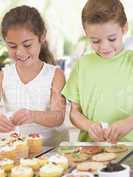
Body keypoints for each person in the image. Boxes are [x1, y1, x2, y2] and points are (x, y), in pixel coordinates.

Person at [62, 0, 133, 144]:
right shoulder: (82, 65)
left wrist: (129, 122)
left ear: (124, 28)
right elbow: (74, 112)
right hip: (91, 149)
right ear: (86, 33)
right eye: (95, 41)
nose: (104, 46)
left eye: (112, 38)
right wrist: (89, 126)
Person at [0, 5, 67, 145]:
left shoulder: (55, 75)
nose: (20, 52)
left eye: (27, 45)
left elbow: (59, 116)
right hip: (18, 151)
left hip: (51, 152)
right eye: (12, 46)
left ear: (41, 37)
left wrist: (33, 115)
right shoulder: (4, 76)